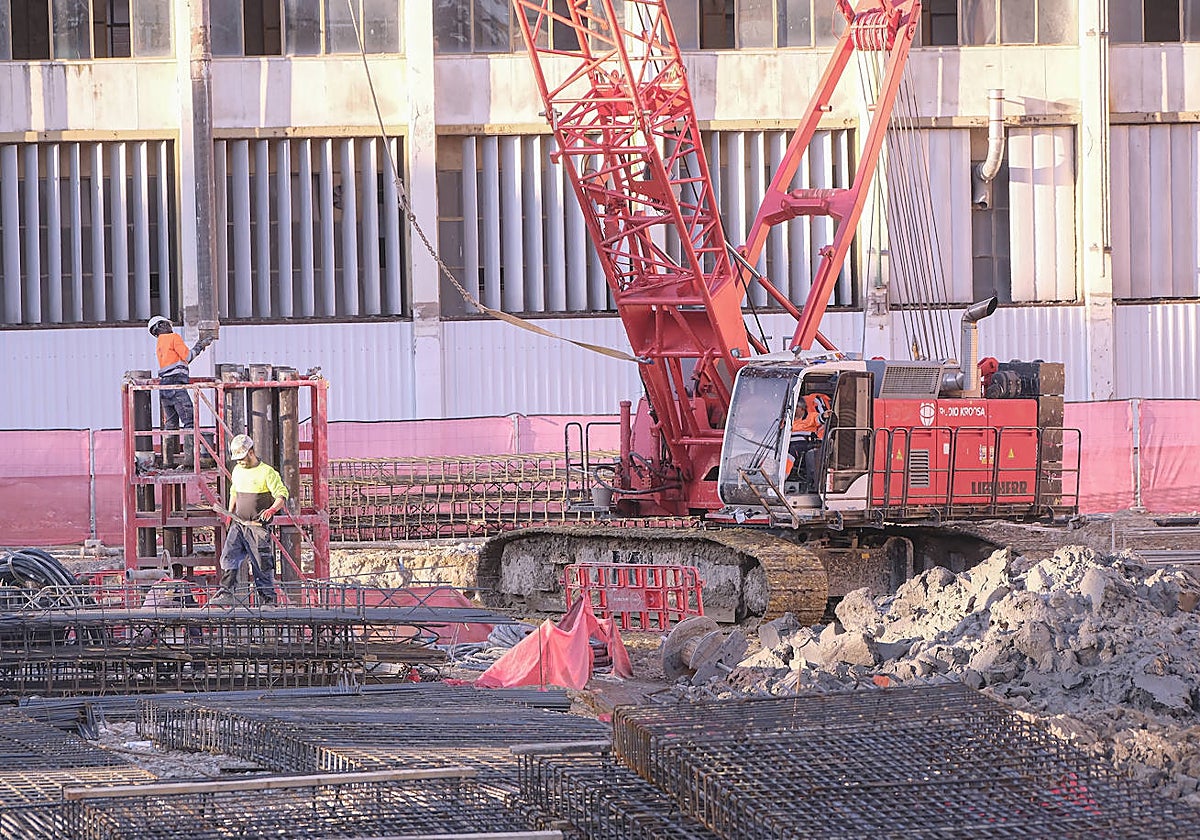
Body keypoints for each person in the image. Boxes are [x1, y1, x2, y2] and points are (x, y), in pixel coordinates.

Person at [208, 434, 288, 607]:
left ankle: (268, 600)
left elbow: (282, 495)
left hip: (257, 528)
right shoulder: (237, 471)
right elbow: (234, 493)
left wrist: (272, 509)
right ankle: (226, 592)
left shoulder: (267, 472)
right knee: (229, 556)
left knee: (261, 564)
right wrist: (229, 514)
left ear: (251, 452)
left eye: (242, 458)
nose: (240, 462)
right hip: (239, 524)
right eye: (237, 459)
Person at [148, 316, 212, 462]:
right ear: (161, 326)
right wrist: (200, 345)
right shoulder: (173, 337)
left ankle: (167, 461)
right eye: (167, 324)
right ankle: (190, 461)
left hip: (164, 386)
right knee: (189, 421)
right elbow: (188, 356)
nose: (171, 327)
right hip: (176, 384)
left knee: (170, 424)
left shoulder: (159, 343)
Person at [787, 392, 830, 492]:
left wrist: (824, 415)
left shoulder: (811, 416)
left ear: (802, 408)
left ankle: (783, 476)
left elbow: (819, 419)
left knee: (791, 452)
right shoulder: (788, 419)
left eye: (796, 407)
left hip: (804, 443)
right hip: (788, 443)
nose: (794, 410)